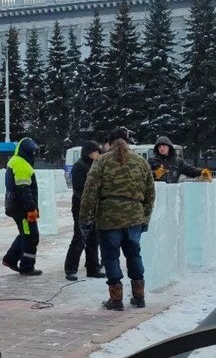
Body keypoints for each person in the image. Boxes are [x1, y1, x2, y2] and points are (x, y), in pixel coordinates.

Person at [80, 128, 155, 310]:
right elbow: (150, 193)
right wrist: (144, 217)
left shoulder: (102, 162)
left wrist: (85, 220)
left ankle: (116, 299)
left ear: (110, 143)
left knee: (111, 257)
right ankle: (139, 297)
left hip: (109, 218)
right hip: (134, 218)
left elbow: (90, 192)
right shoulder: (141, 162)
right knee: (134, 254)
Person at [63, 140, 105, 281]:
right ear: (88, 152)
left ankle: (93, 268)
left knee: (94, 238)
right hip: (81, 208)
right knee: (80, 238)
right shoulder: (79, 166)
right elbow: (79, 188)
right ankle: (70, 268)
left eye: (99, 151)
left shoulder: (98, 166)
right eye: (95, 151)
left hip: (95, 208)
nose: (98, 154)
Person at [2, 137, 42, 276]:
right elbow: (24, 190)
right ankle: (27, 267)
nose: (34, 155)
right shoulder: (21, 164)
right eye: (33, 152)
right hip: (23, 209)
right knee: (31, 236)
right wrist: (31, 209)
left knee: (26, 234)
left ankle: (10, 259)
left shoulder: (17, 161)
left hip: (18, 207)